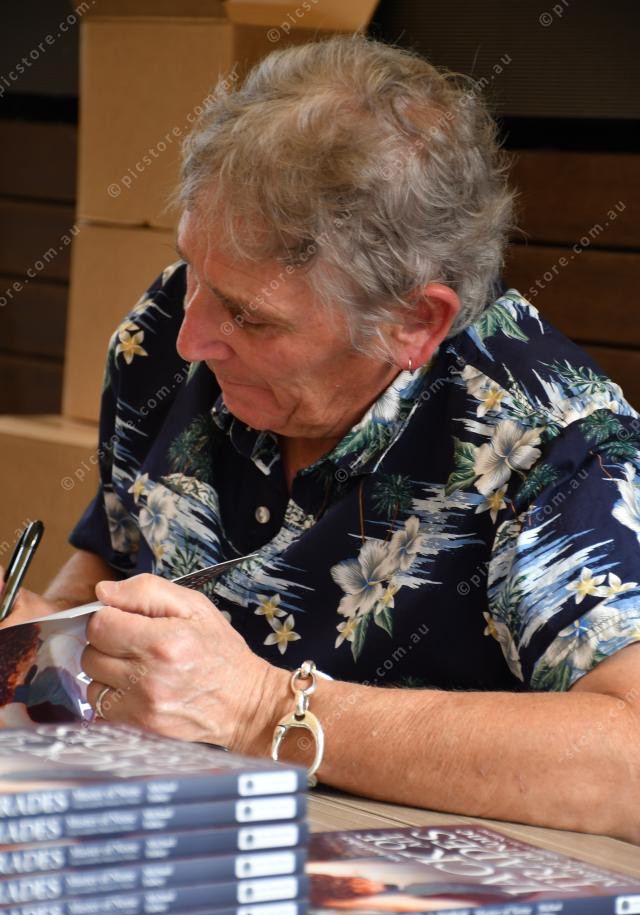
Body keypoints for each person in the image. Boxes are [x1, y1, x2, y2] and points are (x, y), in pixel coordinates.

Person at [4, 34, 640, 841]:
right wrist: (36, 635)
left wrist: (264, 708)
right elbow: (118, 561)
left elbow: (628, 759)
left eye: (251, 317)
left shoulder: (552, 437)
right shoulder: (164, 331)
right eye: (193, 268)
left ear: (414, 322)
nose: (194, 336)